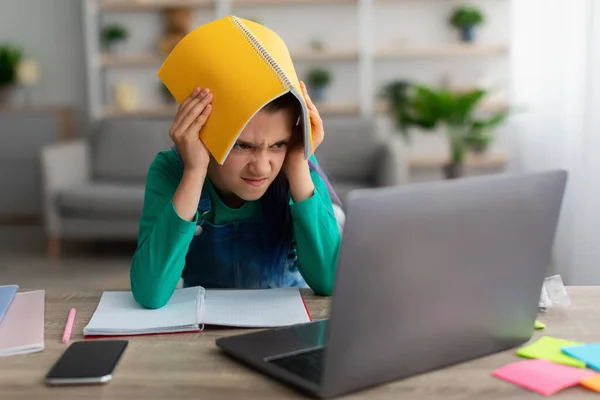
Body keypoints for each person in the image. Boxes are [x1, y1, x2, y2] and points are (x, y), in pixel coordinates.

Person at [130, 81, 344, 309]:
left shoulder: (298, 162)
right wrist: (194, 171)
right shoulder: (171, 170)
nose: (261, 168)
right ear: (207, 137)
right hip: (203, 329)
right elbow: (150, 294)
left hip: (283, 327)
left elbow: (330, 283)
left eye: (278, 144)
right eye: (242, 146)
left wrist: (299, 167)